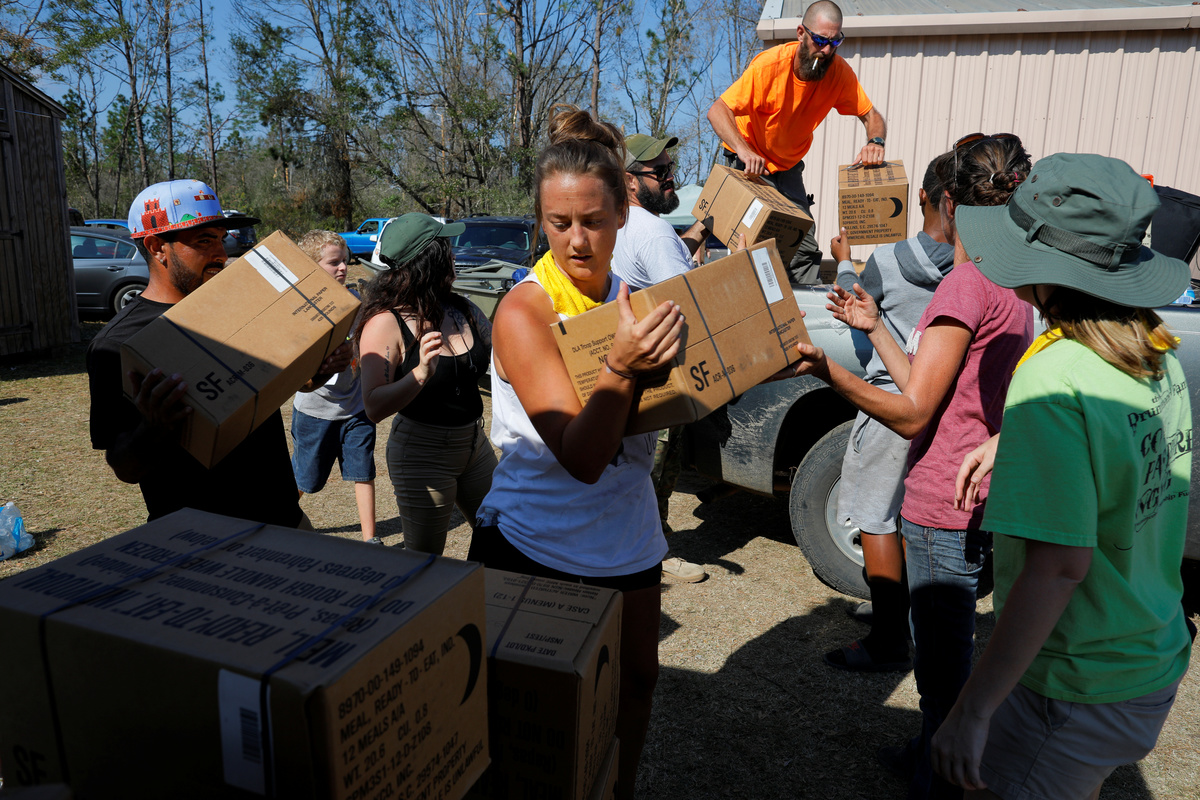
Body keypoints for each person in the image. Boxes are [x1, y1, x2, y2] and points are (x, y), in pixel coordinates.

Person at [928, 154, 1193, 800]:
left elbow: (1058, 567)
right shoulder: (1154, 351)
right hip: (1147, 652)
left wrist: (973, 707)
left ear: (1047, 270)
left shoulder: (1053, 376)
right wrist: (1015, 439)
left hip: (1072, 681)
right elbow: (1119, 446)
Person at [792, 134, 1035, 800]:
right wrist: (875, 327)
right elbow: (930, 385)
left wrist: (829, 370)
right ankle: (929, 749)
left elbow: (912, 414)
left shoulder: (966, 285)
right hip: (976, 490)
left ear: (950, 204)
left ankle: (941, 775)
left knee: (942, 669)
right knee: (947, 653)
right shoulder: (1012, 285)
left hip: (941, 502)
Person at [466, 106, 683, 799]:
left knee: (636, 685)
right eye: (559, 223)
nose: (578, 240)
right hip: (535, 541)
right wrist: (620, 369)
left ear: (623, 215)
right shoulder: (524, 312)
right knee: (531, 719)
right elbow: (581, 458)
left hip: (628, 536)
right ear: (541, 222)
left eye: (593, 220)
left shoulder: (636, 301)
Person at [86, 178, 350, 527]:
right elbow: (124, 468)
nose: (222, 254)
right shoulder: (117, 345)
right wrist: (154, 427)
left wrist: (318, 369)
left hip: (284, 519)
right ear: (157, 246)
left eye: (221, 239)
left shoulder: (241, 305)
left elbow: (272, 385)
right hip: (197, 537)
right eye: (204, 241)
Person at [824, 153, 956, 672]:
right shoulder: (974, 269)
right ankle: (900, 616)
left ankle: (886, 641)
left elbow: (852, 306)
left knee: (877, 517)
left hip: (891, 401)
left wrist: (844, 260)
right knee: (913, 516)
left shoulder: (888, 260)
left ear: (920, 197)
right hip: (943, 402)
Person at [707, 0, 886, 284]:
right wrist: (744, 150)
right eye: (820, 41)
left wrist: (875, 141)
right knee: (755, 242)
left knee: (802, 246)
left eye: (835, 42)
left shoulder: (838, 73)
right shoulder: (768, 67)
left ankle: (804, 307)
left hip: (788, 168)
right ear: (801, 33)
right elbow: (718, 110)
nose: (826, 51)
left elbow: (871, 115)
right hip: (751, 163)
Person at [356, 213, 497, 555]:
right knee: (425, 559)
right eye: (447, 249)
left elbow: (505, 360)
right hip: (422, 454)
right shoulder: (385, 323)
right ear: (430, 260)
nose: (454, 256)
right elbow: (373, 406)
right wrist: (420, 373)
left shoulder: (463, 309)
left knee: (503, 535)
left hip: (474, 445)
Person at [612, 132, 713, 584]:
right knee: (655, 465)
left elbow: (658, 273)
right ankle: (655, 551)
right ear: (630, 181)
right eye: (660, 172)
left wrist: (696, 236)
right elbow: (688, 300)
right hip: (660, 369)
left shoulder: (618, 223)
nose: (671, 178)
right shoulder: (654, 232)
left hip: (629, 364)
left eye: (671, 168)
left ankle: (649, 542)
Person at [290, 231, 379, 544]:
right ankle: (277, 515)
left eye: (345, 260)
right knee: (306, 479)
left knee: (363, 471)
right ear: (312, 267)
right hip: (316, 412)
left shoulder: (358, 302)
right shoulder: (301, 311)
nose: (343, 267)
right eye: (333, 262)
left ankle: (371, 540)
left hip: (356, 407)